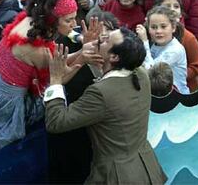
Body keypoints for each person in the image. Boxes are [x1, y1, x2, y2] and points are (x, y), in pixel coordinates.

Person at [0, 0, 81, 149]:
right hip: (5, 106)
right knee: (61, 94)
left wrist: (82, 51)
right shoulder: (36, 50)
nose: (75, 24)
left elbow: (58, 61)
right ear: (51, 20)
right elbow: (57, 78)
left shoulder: (27, 21)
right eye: (69, 20)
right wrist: (84, 57)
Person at [44, 27, 167, 184]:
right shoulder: (141, 74)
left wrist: (55, 81)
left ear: (115, 56)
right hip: (146, 169)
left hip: (116, 177)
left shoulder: (100, 93)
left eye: (106, 40)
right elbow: (111, 78)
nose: (100, 39)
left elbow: (56, 122)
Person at [154, 0, 198, 92]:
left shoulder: (188, 38)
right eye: (167, 6)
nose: (172, 9)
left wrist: (175, 76)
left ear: (181, 12)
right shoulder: (154, 35)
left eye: (176, 6)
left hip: (185, 89)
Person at [136, 6, 190, 95]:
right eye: (153, 27)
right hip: (158, 94)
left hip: (177, 97)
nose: (158, 31)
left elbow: (151, 70)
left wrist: (144, 42)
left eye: (163, 26)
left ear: (173, 28)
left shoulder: (175, 50)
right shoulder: (155, 45)